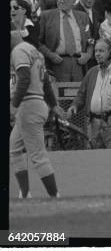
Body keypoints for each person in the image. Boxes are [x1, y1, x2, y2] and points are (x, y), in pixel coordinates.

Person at [10, 30, 64, 199]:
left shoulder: (19, 51)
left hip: (29, 104)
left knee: (38, 155)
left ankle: (55, 196)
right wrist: (53, 104)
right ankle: (25, 194)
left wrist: (14, 105)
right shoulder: (35, 51)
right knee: (14, 149)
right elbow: (46, 81)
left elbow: (24, 78)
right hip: (37, 101)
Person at [68, 38, 111, 149]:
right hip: (94, 125)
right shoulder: (91, 72)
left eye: (101, 51)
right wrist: (74, 105)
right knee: (95, 163)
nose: (97, 54)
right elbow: (81, 94)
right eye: (96, 51)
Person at [38, 0, 93, 81]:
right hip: (57, 63)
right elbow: (38, 41)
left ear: (74, 1)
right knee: (58, 93)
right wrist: (50, 54)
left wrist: (88, 54)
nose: (61, 1)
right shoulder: (46, 16)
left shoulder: (83, 16)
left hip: (79, 63)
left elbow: (90, 41)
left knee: (78, 93)